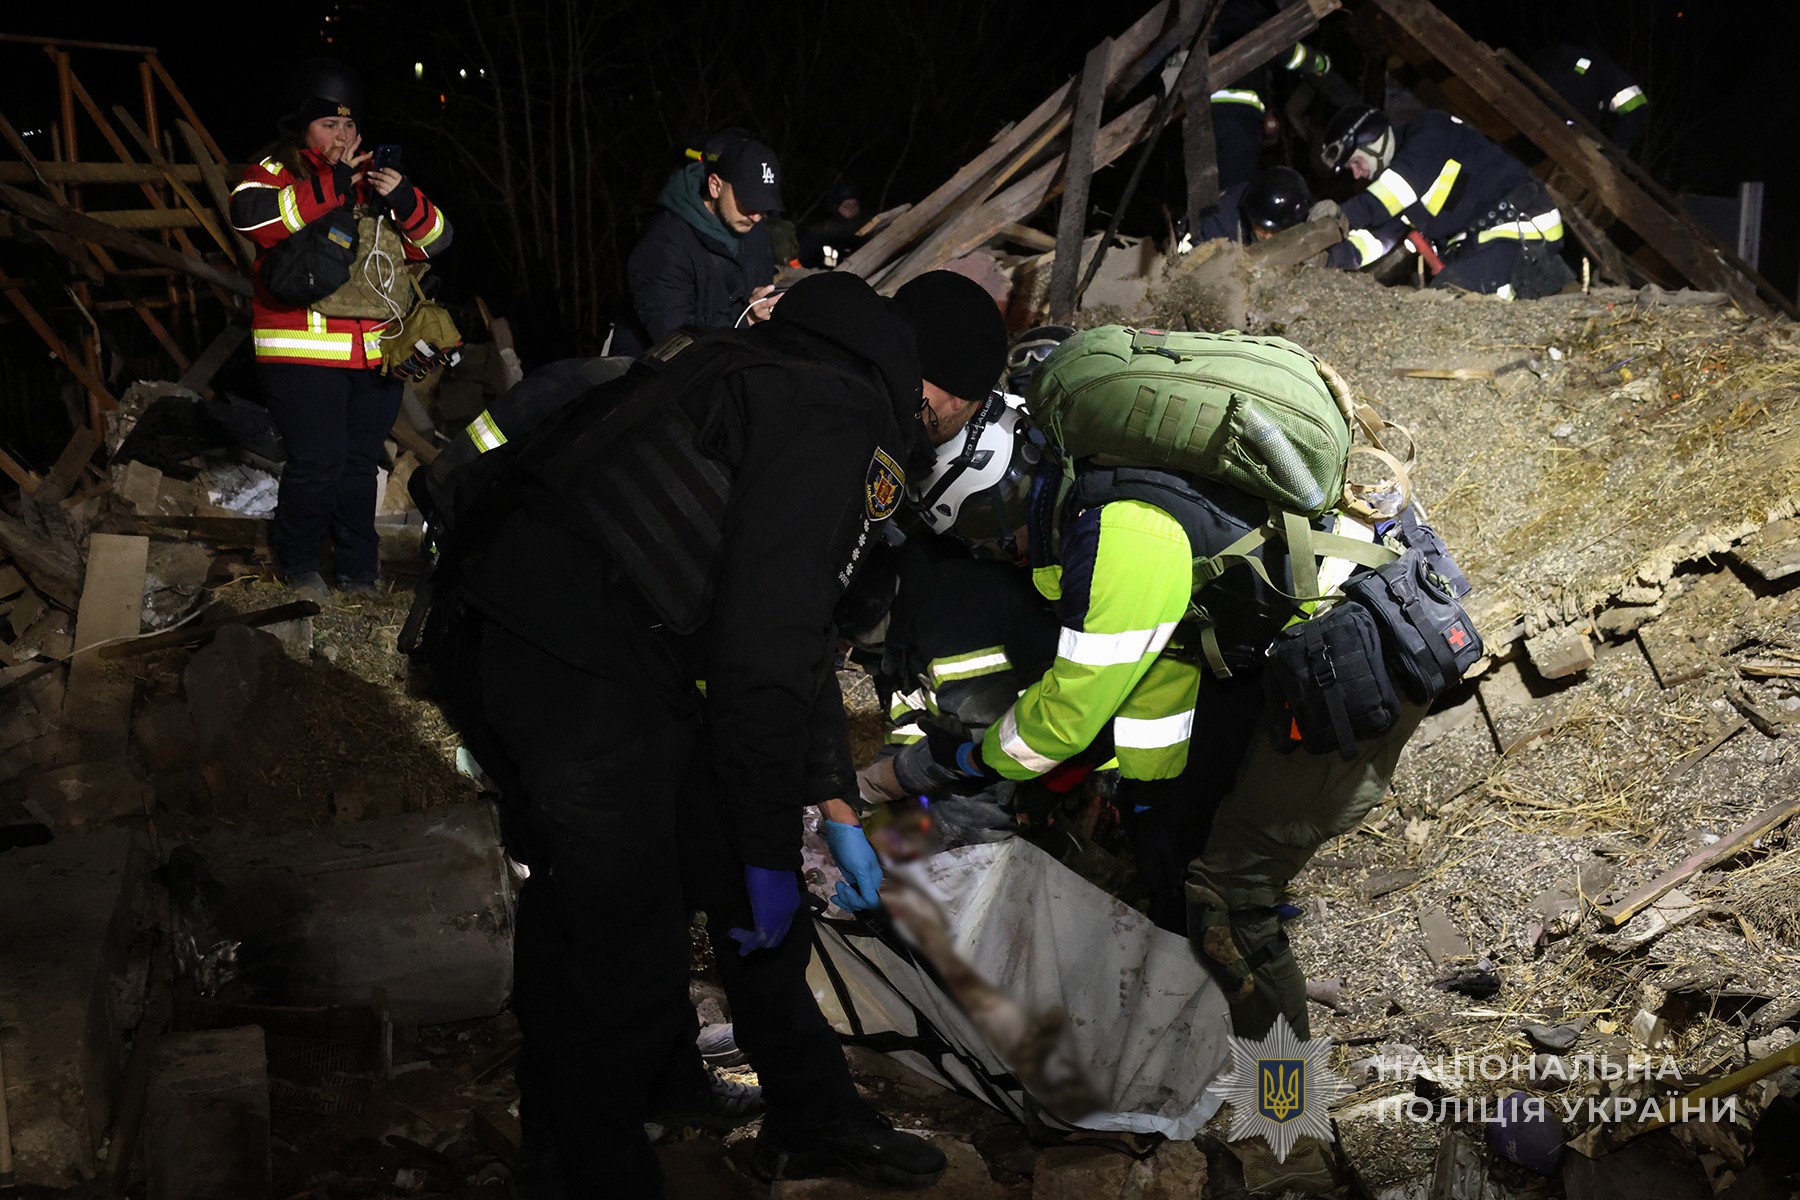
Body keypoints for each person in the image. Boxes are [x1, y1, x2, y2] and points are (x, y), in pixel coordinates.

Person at [437, 269, 1006, 1198]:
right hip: (561, 650)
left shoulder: (800, 368)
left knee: (719, 869)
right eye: (965, 412)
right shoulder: (840, 419)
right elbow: (761, 665)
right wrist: (770, 855)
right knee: (617, 921)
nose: (949, 431)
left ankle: (791, 1113)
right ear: (943, 391)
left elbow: (796, 633)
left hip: (606, 642)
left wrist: (831, 803)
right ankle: (586, 1168)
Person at [229, 58, 452, 597]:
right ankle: (299, 565)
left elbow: (434, 242)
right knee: (317, 464)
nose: (343, 136)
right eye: (329, 124)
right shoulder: (276, 170)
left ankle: (359, 572)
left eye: (349, 125)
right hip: (301, 353)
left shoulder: (372, 182)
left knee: (360, 467)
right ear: (302, 125)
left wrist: (405, 200)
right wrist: (333, 185)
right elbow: (251, 217)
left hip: (374, 356)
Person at [1313, 103, 1572, 298]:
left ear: (1374, 142)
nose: (1357, 174)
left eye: (1356, 162)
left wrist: (1341, 215)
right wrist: (1328, 257)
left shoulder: (1429, 131)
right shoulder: (1393, 190)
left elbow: (1397, 189)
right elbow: (1377, 239)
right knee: (1446, 297)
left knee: (1447, 302)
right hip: (1483, 244)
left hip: (1520, 228)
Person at [613, 135, 784, 356]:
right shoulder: (663, 245)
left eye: (763, 206)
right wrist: (745, 319)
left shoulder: (754, 228)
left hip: (733, 356)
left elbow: (761, 290)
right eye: (748, 202)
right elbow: (674, 341)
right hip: (657, 367)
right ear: (715, 186)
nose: (756, 216)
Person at [1527, 42, 1649, 155]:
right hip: (1565, 121)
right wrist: (1620, 148)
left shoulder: (1565, 54)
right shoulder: (1612, 77)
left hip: (1541, 107)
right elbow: (1638, 109)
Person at [798, 178, 866, 269]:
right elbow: (807, 259)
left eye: (854, 206)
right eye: (846, 206)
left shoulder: (864, 224)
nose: (851, 210)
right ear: (837, 207)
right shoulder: (825, 231)